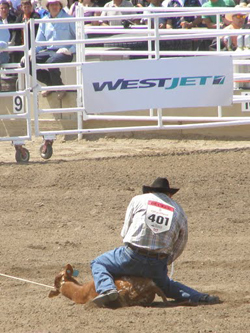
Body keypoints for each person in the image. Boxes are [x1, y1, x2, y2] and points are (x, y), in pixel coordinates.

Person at [91, 177, 221, 307]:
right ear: (169, 194)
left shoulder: (138, 200)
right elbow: (181, 242)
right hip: (157, 262)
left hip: (132, 255)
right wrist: (166, 260)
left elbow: (125, 232)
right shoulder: (178, 210)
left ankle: (108, 289)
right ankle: (201, 297)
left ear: (150, 191)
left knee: (98, 263)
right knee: (167, 286)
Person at [21, 0, 76, 100]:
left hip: (65, 51)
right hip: (50, 51)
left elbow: (81, 37)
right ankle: (53, 84)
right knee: (26, 62)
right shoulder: (44, 21)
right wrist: (31, 51)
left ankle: (56, 86)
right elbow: (39, 43)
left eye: (56, 4)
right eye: (52, 5)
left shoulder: (69, 19)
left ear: (60, 6)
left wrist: (71, 50)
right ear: (48, 7)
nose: (54, 7)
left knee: (51, 62)